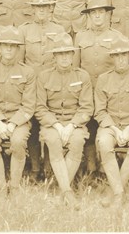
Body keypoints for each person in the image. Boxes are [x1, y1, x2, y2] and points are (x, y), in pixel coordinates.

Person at [93, 42, 129, 207]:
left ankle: (113, 192)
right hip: (110, 126)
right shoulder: (103, 79)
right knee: (104, 143)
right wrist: (114, 129)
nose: (120, 59)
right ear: (112, 57)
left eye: (123, 55)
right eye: (116, 55)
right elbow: (100, 111)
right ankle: (119, 193)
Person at [36, 34, 93, 206]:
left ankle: (62, 192)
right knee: (53, 142)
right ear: (54, 56)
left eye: (68, 53)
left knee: (76, 143)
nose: (64, 57)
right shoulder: (44, 76)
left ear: (73, 55)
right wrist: (57, 125)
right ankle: (68, 192)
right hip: (52, 124)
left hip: (75, 124)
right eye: (60, 54)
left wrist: (72, 126)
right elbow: (40, 108)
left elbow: (86, 108)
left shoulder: (82, 76)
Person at [0, 26, 34, 191]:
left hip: (19, 121)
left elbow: (29, 105)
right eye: (5, 45)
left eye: (13, 45)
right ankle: (2, 185)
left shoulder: (28, 72)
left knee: (18, 142)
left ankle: (15, 185)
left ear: (18, 48)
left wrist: (13, 124)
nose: (9, 49)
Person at [77, 0, 126, 79]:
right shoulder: (80, 36)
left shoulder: (117, 36)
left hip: (109, 86)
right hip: (87, 86)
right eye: (93, 12)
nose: (97, 16)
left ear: (107, 14)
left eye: (101, 12)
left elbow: (122, 68)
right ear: (88, 15)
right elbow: (75, 68)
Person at [20, 0, 67, 73]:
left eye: (44, 6)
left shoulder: (59, 29)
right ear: (33, 8)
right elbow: (20, 62)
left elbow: (63, 58)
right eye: (38, 6)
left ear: (50, 8)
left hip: (52, 76)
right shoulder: (24, 30)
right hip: (32, 76)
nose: (41, 10)